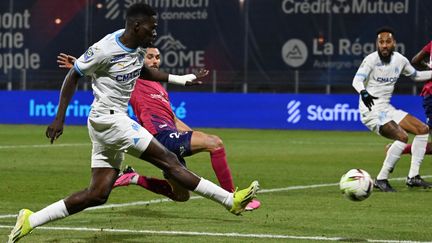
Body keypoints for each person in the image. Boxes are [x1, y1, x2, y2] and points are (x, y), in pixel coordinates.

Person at [8, 4, 259, 243]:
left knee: (98, 194)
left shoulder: (137, 48)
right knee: (169, 161)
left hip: (109, 123)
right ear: (137, 26)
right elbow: (74, 74)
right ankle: (230, 201)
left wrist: (181, 79)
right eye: (152, 27)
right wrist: (59, 117)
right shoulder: (106, 48)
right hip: (110, 120)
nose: (155, 32)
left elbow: (144, 71)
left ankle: (31, 219)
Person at [56, 47, 260, 210]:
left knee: (182, 196)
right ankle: (234, 196)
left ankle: (133, 178)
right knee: (215, 143)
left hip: (169, 133)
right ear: (140, 61)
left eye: (158, 57)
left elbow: (173, 119)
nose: (155, 61)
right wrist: (77, 63)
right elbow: (108, 68)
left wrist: (191, 136)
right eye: (150, 57)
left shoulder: (159, 88)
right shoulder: (133, 79)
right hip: (158, 137)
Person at [352, 27, 432, 192]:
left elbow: (416, 75)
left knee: (423, 130)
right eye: (381, 42)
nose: (384, 45)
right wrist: (363, 92)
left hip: (387, 109)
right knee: (402, 137)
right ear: (377, 44)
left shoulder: (400, 60)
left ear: (394, 43)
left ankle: (413, 177)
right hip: (371, 111)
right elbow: (356, 81)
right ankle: (381, 179)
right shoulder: (371, 60)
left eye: (388, 42)